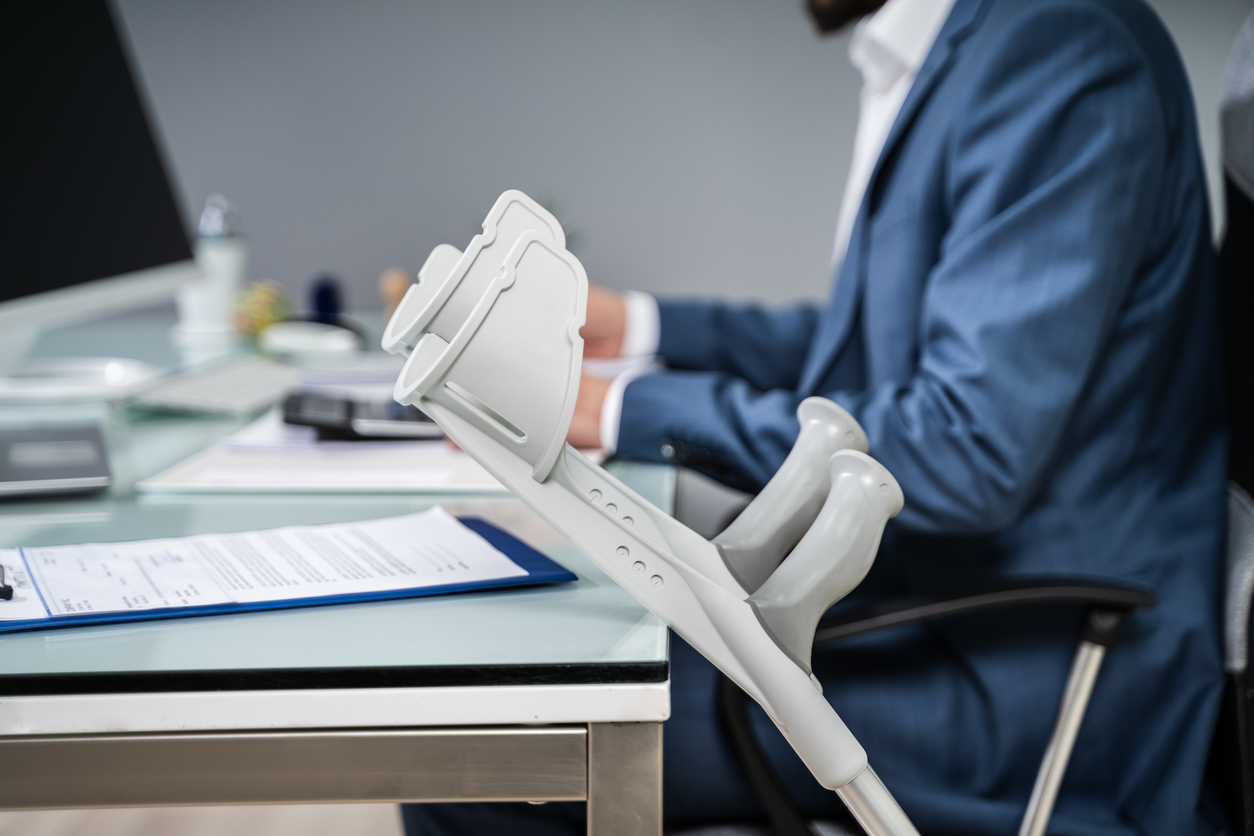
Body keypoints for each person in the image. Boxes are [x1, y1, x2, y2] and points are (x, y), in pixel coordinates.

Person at [403, 0, 1226, 832]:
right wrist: (647, 327)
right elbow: (869, 345)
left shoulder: (1061, 46)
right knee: (516, 680)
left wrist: (618, 407)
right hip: (934, 620)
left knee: (471, 745)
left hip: (1029, 679)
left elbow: (965, 446)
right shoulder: (962, 49)